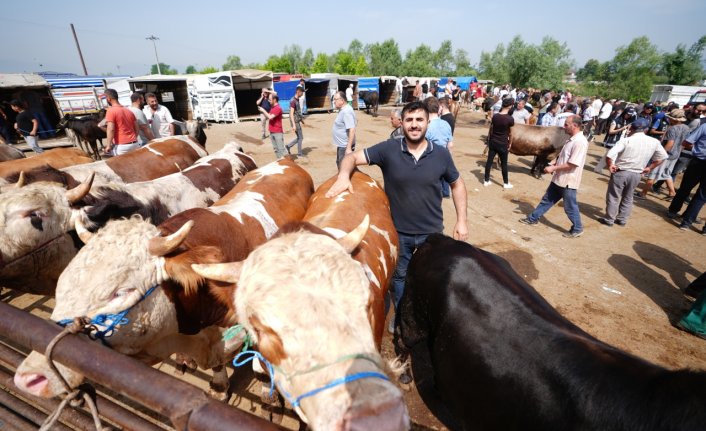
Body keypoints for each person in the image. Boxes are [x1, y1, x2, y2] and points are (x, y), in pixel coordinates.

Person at [325, 100, 468, 332]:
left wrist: (462, 220)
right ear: (401, 123)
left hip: (432, 233)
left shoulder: (441, 154)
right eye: (409, 120)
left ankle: (423, 318)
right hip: (398, 232)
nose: (414, 125)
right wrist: (343, 177)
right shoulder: (388, 149)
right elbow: (350, 157)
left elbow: (457, 184)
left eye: (419, 120)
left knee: (428, 278)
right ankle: (401, 315)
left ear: (427, 123)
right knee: (399, 278)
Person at [519, 115, 588, 238]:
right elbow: (564, 156)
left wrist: (553, 168)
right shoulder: (571, 139)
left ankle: (577, 228)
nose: (564, 126)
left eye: (567, 124)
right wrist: (554, 163)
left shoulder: (580, 142)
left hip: (568, 181)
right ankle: (533, 218)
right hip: (559, 178)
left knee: (570, 207)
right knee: (547, 200)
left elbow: (572, 163)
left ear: (575, 126)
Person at [597, 118, 667, 227]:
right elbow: (662, 157)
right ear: (646, 129)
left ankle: (609, 219)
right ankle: (622, 219)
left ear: (632, 128)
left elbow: (610, 154)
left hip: (621, 171)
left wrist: (611, 165)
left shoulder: (626, 140)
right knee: (628, 197)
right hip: (637, 173)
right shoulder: (654, 141)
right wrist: (650, 167)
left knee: (614, 196)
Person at [638, 109, 690, 200]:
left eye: (670, 118)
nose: (668, 119)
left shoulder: (672, 129)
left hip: (667, 154)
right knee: (667, 173)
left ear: (675, 119)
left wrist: (661, 155)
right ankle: (672, 192)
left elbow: (670, 143)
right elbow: (684, 142)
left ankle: (643, 193)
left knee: (653, 174)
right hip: (676, 154)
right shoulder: (686, 128)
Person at [669, 122, 706, 232]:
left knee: (686, 188)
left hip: (698, 162)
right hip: (698, 162)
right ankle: (686, 222)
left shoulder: (705, 126)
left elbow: (687, 142)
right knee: (701, 196)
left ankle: (673, 211)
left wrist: (697, 150)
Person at [424, 97, 454, 198]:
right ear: (438, 109)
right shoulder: (446, 124)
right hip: (444, 159)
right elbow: (450, 145)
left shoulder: (427, 127)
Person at [484, 97, 514, 189]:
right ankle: (505, 183)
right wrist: (510, 143)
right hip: (503, 143)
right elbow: (511, 134)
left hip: (493, 141)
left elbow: (492, 129)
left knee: (489, 161)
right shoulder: (510, 119)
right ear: (509, 106)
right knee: (504, 163)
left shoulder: (495, 116)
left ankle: (486, 180)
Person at [102, 89, 139, 156]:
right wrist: (134, 138)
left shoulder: (111, 111)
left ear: (108, 98)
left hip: (122, 146)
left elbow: (111, 129)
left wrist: (108, 145)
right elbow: (137, 127)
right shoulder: (128, 111)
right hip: (135, 144)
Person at [332, 91, 356, 168]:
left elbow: (352, 129)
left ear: (342, 101)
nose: (334, 101)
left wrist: (348, 148)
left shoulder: (346, 112)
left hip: (345, 146)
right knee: (339, 163)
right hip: (342, 145)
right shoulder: (344, 109)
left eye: (335, 99)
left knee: (343, 167)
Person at [257, 93, 286, 159]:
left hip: (277, 132)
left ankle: (288, 163)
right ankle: (280, 161)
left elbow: (270, 117)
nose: (268, 101)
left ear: (274, 100)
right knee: (276, 149)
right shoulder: (273, 108)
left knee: (281, 150)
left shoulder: (278, 108)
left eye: (270, 100)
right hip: (272, 131)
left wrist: (263, 110)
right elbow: (269, 116)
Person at [286, 86, 305, 157]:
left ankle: (288, 146)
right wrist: (294, 125)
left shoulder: (297, 100)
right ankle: (299, 154)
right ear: (298, 92)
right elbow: (291, 113)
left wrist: (302, 120)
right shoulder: (293, 101)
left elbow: (297, 112)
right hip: (295, 121)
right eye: (302, 92)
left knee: (299, 137)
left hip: (297, 120)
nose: (303, 94)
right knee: (300, 137)